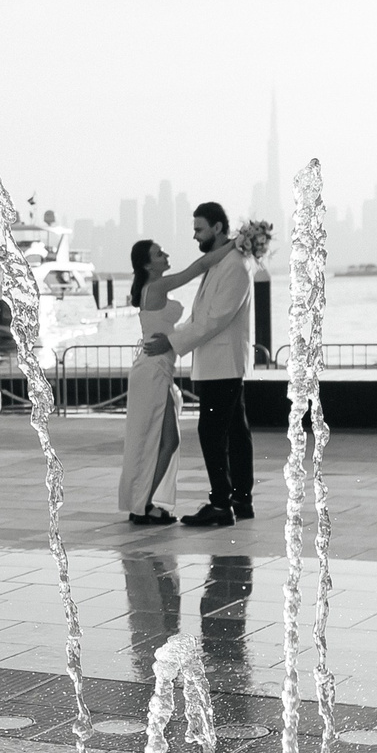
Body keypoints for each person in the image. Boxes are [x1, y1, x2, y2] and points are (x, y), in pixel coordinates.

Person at [142, 202, 252, 526]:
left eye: (199, 229)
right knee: (235, 432)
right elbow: (201, 316)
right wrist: (176, 336)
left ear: (218, 228)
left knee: (212, 432)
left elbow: (214, 320)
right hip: (219, 363)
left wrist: (172, 343)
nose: (194, 236)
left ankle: (221, 504)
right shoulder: (223, 263)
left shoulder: (234, 266)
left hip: (224, 364)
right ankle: (240, 500)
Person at [116, 236, 229, 524]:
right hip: (153, 371)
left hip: (156, 369)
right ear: (147, 265)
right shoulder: (156, 286)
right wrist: (235, 243)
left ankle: (144, 504)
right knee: (164, 440)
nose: (165, 255)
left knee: (161, 440)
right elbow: (198, 267)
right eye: (158, 254)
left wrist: (173, 338)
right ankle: (143, 505)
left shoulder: (151, 288)